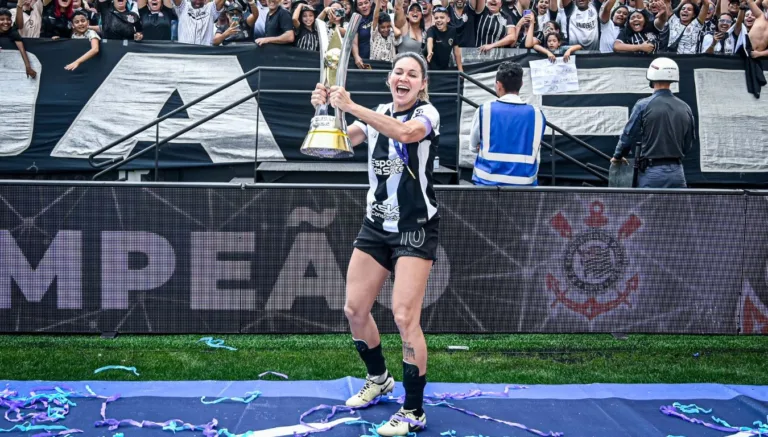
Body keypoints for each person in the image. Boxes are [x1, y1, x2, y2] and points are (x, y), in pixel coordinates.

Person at [309, 52, 440, 436]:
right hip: (376, 225)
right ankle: (379, 378)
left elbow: (405, 134)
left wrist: (350, 105)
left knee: (403, 317)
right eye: (398, 71)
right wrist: (325, 113)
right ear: (389, 79)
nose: (404, 78)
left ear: (422, 84)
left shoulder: (427, 114)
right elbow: (334, 146)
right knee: (353, 309)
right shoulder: (379, 110)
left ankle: (414, 410)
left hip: (415, 227)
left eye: (412, 74)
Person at [611, 57, 695, 188]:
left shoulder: (643, 105)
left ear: (652, 77)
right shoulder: (685, 107)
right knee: (678, 208)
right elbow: (688, 144)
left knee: (648, 208)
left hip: (652, 172)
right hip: (678, 172)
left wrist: (618, 156)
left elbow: (628, 136)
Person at [468, 61, 545, 186]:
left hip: (486, 183)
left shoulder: (484, 110)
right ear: (521, 84)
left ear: (498, 85)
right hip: (525, 184)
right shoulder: (537, 114)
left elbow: (472, 146)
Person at [0, 7, 37, 78]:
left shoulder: (12, 31)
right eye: (2, 19)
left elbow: (22, 50)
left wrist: (28, 67)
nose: (6, 22)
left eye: (8, 19)